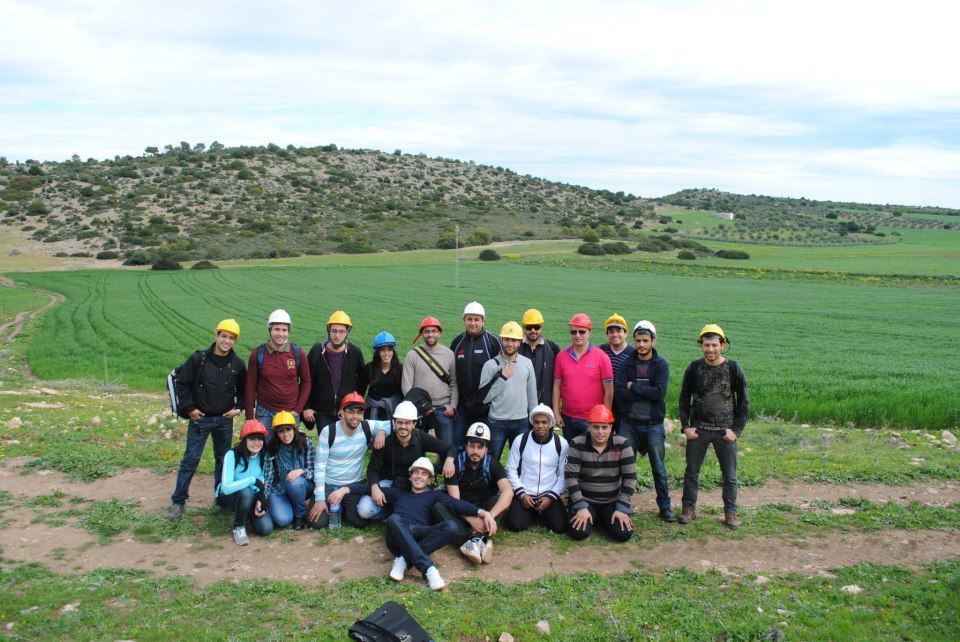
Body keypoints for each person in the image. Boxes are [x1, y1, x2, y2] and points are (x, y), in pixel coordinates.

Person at [334, 457, 497, 591]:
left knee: (451, 526)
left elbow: (456, 504)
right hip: (398, 534)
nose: (419, 476)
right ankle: (429, 569)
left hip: (420, 535)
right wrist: (343, 490)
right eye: (416, 473)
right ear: (410, 476)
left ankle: (404, 560)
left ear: (429, 479)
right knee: (393, 519)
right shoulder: (397, 494)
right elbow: (366, 489)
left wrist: (482, 513)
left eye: (424, 474)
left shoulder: (434, 496)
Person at [168, 319, 246, 521]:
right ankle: (178, 502)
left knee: (223, 460)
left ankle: (221, 498)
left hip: (223, 420)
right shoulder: (199, 359)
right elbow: (183, 384)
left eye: (231, 338)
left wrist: (238, 409)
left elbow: (244, 391)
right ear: (216, 336)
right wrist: (189, 408)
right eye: (224, 336)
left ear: (235, 341)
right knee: (191, 459)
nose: (226, 341)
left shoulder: (237, 364)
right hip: (200, 419)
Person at [678, 324, 749, 529]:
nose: (710, 350)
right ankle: (688, 510)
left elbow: (744, 402)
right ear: (701, 345)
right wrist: (686, 427)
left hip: (724, 431)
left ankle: (731, 513)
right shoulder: (693, 368)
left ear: (722, 345)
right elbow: (684, 399)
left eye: (714, 345)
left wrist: (736, 430)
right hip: (698, 430)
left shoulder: (733, 368)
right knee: (691, 472)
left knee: (730, 475)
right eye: (706, 345)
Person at [615, 320, 674, 522]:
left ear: (653, 341)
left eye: (646, 341)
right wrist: (642, 391)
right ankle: (623, 505)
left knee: (658, 467)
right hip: (629, 424)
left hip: (653, 425)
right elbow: (620, 393)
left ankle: (665, 507)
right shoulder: (626, 364)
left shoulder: (661, 365)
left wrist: (634, 387)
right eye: (638, 340)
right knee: (624, 466)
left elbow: (659, 394)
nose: (641, 345)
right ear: (634, 340)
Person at [358, 400, 457, 521]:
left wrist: (449, 460)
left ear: (414, 424)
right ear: (394, 422)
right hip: (389, 484)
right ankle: (394, 512)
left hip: (416, 485)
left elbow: (451, 448)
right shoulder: (385, 441)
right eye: (399, 422)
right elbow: (372, 469)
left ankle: (400, 510)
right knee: (364, 509)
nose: (403, 426)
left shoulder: (421, 438)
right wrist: (375, 488)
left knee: (433, 509)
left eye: (407, 423)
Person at [434, 422, 512, 565]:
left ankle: (478, 537)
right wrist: (471, 519)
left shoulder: (493, 464)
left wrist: (489, 516)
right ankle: (471, 540)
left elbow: (507, 491)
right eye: (472, 446)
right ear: (466, 446)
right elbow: (454, 499)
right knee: (439, 506)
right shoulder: (455, 464)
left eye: (480, 447)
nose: (475, 451)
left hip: (484, 510)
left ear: (487, 449)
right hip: (462, 511)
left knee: (501, 499)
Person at [307, 393, 389, 529]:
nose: (355, 417)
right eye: (350, 412)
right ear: (341, 412)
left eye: (359, 412)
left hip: (353, 484)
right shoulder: (329, 432)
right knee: (317, 523)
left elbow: (392, 423)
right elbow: (320, 467)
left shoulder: (367, 427)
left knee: (359, 521)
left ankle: (343, 507)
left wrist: (382, 432)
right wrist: (320, 499)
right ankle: (324, 502)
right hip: (330, 483)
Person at [565, 404, 636, 542]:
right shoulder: (577, 443)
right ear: (589, 426)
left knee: (622, 534)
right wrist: (580, 506)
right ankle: (592, 516)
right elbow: (570, 477)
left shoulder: (623, 444)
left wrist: (622, 508)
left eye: (604, 427)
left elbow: (630, 478)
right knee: (578, 533)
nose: (600, 431)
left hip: (612, 501)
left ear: (611, 427)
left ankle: (602, 518)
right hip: (585, 500)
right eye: (596, 427)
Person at [244, 309, 311, 440]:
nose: (280, 334)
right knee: (265, 450)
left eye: (284, 330)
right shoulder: (258, 354)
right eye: (277, 329)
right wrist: (250, 417)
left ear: (288, 331)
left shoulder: (297, 353)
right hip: (265, 414)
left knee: (289, 450)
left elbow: (306, 382)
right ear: (269, 330)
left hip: (290, 413)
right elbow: (250, 387)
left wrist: (297, 410)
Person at [479, 321, 537, 463]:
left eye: (513, 340)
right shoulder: (490, 365)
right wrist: (502, 378)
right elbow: (484, 398)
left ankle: (517, 486)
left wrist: (534, 419)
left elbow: (532, 395)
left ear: (519, 342)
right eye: (506, 340)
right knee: (492, 460)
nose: (509, 344)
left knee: (522, 461)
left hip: (521, 421)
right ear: (502, 341)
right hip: (497, 421)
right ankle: (493, 485)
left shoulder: (527, 363)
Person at [505, 404, 568, 534]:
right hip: (526, 493)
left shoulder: (561, 443)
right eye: (537, 422)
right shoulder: (520, 440)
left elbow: (564, 474)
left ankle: (542, 512)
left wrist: (551, 497)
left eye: (544, 422)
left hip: (548, 494)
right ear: (532, 423)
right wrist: (521, 494)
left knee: (560, 527)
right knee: (514, 524)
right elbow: (510, 469)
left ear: (550, 423)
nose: (540, 426)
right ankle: (534, 513)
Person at [552, 313, 613, 441]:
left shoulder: (601, 357)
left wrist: (604, 417)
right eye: (573, 332)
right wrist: (556, 413)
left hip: (592, 419)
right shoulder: (561, 356)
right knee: (571, 453)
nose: (577, 335)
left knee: (590, 456)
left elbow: (609, 390)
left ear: (589, 332)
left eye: (582, 332)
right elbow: (557, 387)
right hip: (567, 418)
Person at [304, 310, 367, 432]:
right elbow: (306, 380)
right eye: (334, 331)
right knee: (327, 444)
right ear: (329, 331)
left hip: (347, 410)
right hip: (322, 411)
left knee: (346, 445)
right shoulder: (317, 351)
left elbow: (362, 382)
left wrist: (354, 403)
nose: (337, 335)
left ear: (347, 333)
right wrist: (307, 407)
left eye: (341, 331)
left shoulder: (355, 352)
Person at [215, 420, 274, 546]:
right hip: (228, 497)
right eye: (252, 438)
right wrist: (251, 480)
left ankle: (246, 513)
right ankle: (239, 527)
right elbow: (226, 487)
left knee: (266, 529)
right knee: (245, 492)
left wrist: (261, 499)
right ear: (244, 439)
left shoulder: (264, 455)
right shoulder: (232, 455)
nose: (257, 443)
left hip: (252, 496)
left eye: (260, 439)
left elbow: (263, 480)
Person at [450, 301, 501, 446]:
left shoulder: (493, 341)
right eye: (469, 319)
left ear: (483, 321)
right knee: (458, 444)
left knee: (482, 445)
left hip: (485, 407)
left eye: (476, 319)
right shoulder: (457, 342)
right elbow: (451, 374)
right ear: (463, 320)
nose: (473, 323)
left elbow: (501, 373)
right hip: (462, 407)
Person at [402, 316, 458, 445]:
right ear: (421, 334)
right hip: (419, 409)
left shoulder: (449, 354)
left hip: (443, 409)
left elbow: (454, 383)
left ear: (439, 333)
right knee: (417, 449)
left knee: (446, 448)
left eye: (433, 331)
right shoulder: (413, 355)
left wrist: (453, 406)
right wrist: (422, 405)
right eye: (426, 331)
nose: (430, 334)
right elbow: (406, 385)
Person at [263, 411, 315, 530]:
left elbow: (314, 471)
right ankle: (289, 504)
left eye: (288, 430)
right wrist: (263, 499)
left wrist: (301, 471)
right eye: (281, 431)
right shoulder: (272, 448)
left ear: (294, 429)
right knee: (283, 520)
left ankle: (299, 515)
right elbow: (268, 477)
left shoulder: (305, 443)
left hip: (303, 485)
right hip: (279, 488)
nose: (285, 435)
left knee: (294, 482)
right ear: (276, 433)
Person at [599, 314, 635, 432]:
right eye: (611, 331)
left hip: (624, 404)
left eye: (619, 331)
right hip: (604, 400)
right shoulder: (602, 351)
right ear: (607, 334)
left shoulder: (633, 354)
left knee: (623, 437)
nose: (615, 334)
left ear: (626, 333)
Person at [519, 308, 560, 409]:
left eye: (536, 327)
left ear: (541, 327)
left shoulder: (553, 348)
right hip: (520, 407)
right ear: (523, 327)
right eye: (529, 327)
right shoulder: (516, 347)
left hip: (545, 407)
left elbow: (559, 380)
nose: (533, 331)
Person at [364, 331, 403, 421]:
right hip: (372, 409)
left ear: (393, 351)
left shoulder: (400, 369)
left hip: (393, 409)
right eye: (382, 350)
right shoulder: (369, 368)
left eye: (389, 349)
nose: (386, 353)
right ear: (377, 352)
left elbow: (403, 392)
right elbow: (361, 389)